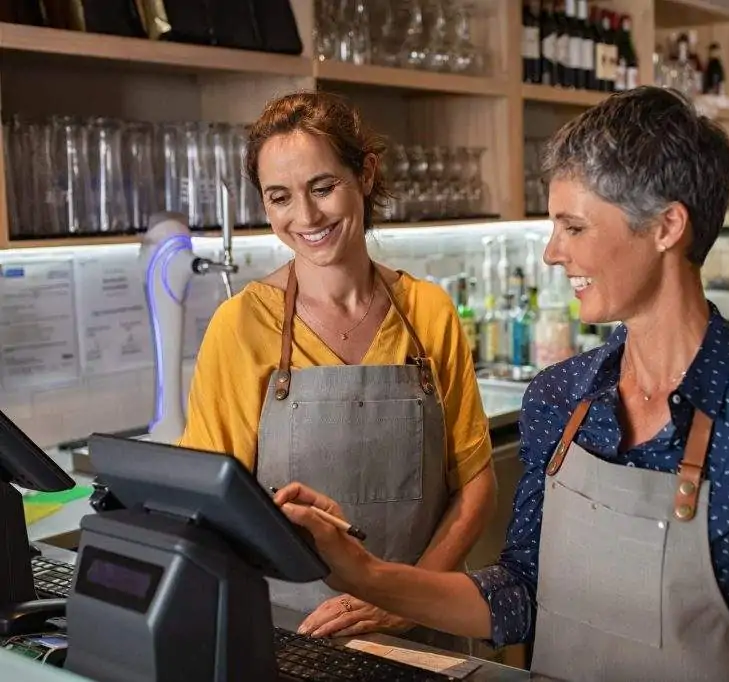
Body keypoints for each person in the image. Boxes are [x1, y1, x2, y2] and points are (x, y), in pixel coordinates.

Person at [271, 86, 729, 682]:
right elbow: (521, 593)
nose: (551, 252)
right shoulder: (560, 399)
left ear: (666, 227)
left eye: (573, 227)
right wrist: (366, 573)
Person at [177, 91, 497, 650]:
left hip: (423, 638)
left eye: (323, 188)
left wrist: (400, 600)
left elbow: (475, 487)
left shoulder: (429, 312)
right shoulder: (240, 327)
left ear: (366, 174)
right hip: (290, 638)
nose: (306, 217)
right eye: (280, 198)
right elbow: (207, 507)